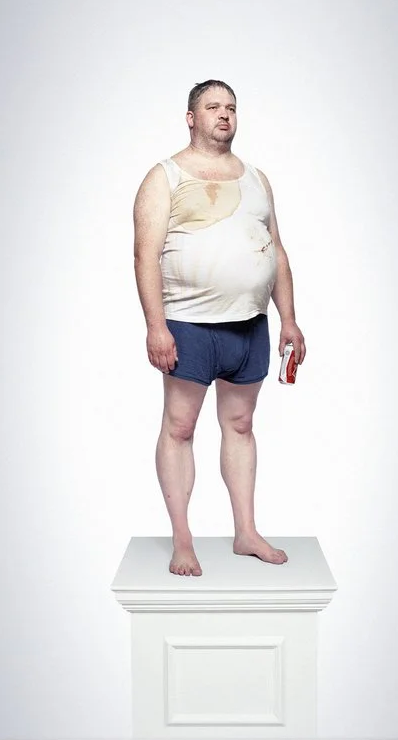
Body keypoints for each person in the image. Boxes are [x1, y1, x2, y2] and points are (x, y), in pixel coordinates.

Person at [132, 79, 308, 576]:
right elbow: (144, 255)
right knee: (180, 427)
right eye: (213, 107)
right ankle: (182, 540)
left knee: (241, 425)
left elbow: (277, 250)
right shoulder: (164, 177)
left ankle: (245, 532)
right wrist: (155, 327)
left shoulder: (257, 178)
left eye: (231, 107)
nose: (224, 114)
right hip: (188, 323)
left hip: (249, 324)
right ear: (192, 117)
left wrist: (289, 319)